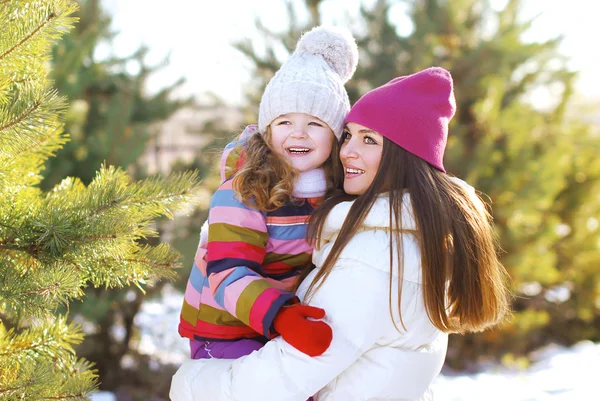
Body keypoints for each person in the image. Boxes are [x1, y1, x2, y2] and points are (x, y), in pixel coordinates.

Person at [171, 67, 511, 401]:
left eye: (368, 139)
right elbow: (229, 268)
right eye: (348, 135)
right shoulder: (421, 231)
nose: (347, 150)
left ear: (403, 154)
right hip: (227, 331)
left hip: (252, 349)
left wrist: (188, 384)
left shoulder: (375, 255)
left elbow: (277, 380)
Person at [177, 25, 359, 362]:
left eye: (316, 123)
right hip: (224, 330)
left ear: (335, 135)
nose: (299, 134)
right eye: (285, 122)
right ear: (268, 130)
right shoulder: (243, 192)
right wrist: (282, 316)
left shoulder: (334, 191)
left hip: (274, 325)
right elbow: (228, 270)